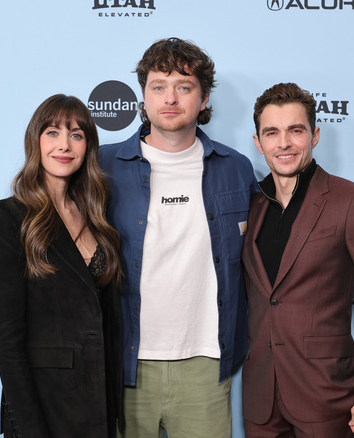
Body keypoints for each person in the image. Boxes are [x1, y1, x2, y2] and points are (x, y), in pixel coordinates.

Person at [98, 37, 257, 437]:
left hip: (206, 361)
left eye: (184, 87)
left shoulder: (235, 169)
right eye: (158, 86)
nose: (170, 98)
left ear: (203, 100)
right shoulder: (101, 166)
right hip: (125, 361)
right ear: (144, 96)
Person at [241, 82, 354, 438]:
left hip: (328, 398)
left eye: (295, 131)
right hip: (260, 401)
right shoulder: (250, 205)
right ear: (258, 143)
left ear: (315, 135)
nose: (283, 143)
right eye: (271, 133)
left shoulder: (351, 203)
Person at [0, 94, 124, 438]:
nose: (64, 145)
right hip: (43, 409)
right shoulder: (6, 217)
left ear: (88, 146)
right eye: (52, 132)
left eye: (76, 135)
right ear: (36, 141)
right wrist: (30, 428)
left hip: (98, 405)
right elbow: (7, 339)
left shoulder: (99, 218)